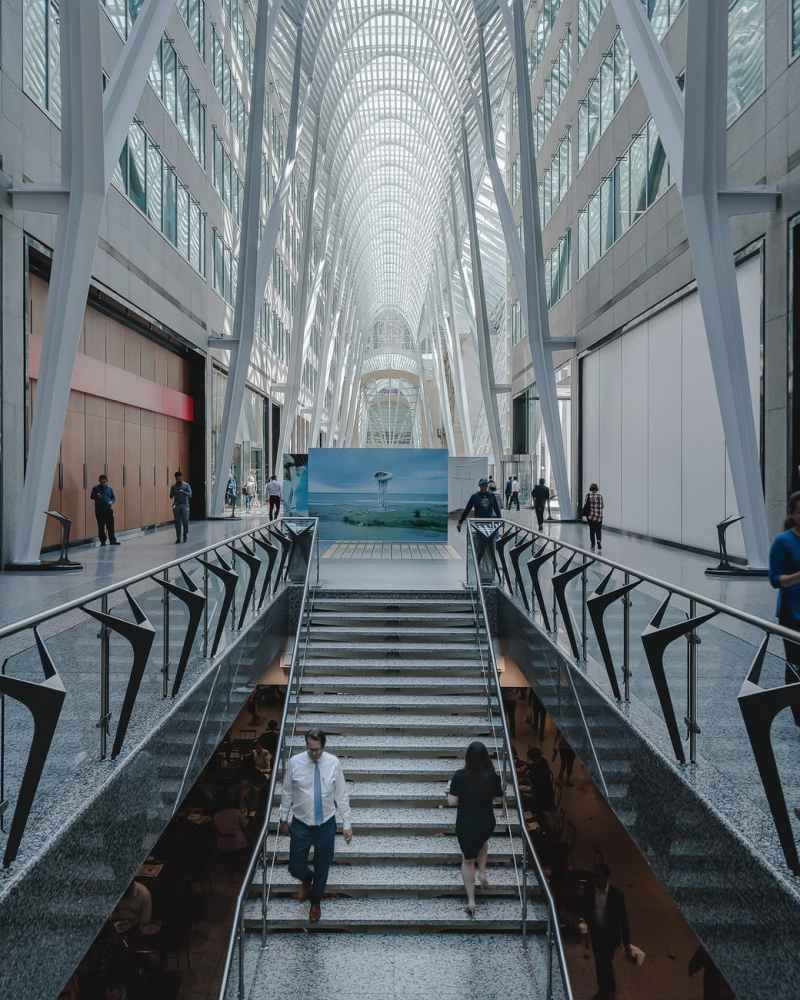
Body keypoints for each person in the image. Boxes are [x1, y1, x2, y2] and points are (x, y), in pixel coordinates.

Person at [278, 728, 352, 924]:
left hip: (326, 823)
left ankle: (315, 903)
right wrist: (283, 817)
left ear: (323, 746)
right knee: (295, 866)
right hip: (301, 823)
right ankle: (306, 878)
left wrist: (347, 823)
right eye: (310, 749)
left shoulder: (333, 763)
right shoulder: (294, 762)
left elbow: (341, 794)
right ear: (306, 745)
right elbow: (287, 791)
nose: (314, 753)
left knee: (323, 866)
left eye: (317, 750)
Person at [448, 741, 503, 917]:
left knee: (467, 860)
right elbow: (498, 796)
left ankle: (471, 901)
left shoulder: (459, 776)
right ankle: (483, 873)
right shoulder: (492, 776)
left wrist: (449, 789)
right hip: (486, 821)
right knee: (483, 843)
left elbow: (452, 802)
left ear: (468, 757)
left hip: (466, 823)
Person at [768, 492, 800, 757]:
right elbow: (775, 580)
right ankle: (798, 717)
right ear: (792, 514)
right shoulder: (783, 541)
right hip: (792, 613)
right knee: (795, 665)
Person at [580, 863, 632, 1000]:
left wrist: (627, 944)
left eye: (599, 876)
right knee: (600, 962)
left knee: (605, 962)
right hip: (596, 934)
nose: (596, 880)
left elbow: (624, 920)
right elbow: (586, 910)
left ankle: (607, 991)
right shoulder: (590, 891)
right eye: (595, 877)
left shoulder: (617, 895)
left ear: (606, 877)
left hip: (610, 936)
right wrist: (585, 930)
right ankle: (605, 990)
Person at [90, 474, 120, 546]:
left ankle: (112, 540)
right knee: (101, 527)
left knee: (110, 526)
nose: (103, 483)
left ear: (107, 481)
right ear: (99, 481)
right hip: (99, 511)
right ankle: (103, 541)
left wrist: (111, 502)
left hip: (108, 510)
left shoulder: (109, 489)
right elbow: (91, 496)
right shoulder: (95, 488)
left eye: (104, 482)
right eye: (101, 482)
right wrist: (97, 495)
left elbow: (113, 498)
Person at [526, 747, 556, 814]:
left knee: (528, 803)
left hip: (544, 797)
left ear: (534, 758)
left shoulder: (540, 767)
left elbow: (538, 783)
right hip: (545, 792)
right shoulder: (542, 761)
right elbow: (532, 766)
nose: (529, 760)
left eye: (530, 758)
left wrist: (530, 775)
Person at [169, 470, 192, 543]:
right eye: (177, 478)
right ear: (175, 478)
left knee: (185, 521)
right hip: (177, 505)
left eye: (179, 477)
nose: (178, 479)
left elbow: (190, 495)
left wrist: (183, 492)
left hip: (185, 505)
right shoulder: (173, 486)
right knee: (177, 522)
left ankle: (185, 534)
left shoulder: (186, 485)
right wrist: (172, 494)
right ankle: (178, 538)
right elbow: (170, 496)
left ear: (181, 477)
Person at [582, 482, 605, 552]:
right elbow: (602, 506)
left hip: (591, 517)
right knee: (598, 530)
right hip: (599, 517)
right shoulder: (600, 496)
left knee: (592, 531)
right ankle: (599, 541)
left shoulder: (588, 496)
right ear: (597, 489)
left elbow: (586, 505)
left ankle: (593, 544)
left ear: (591, 489)